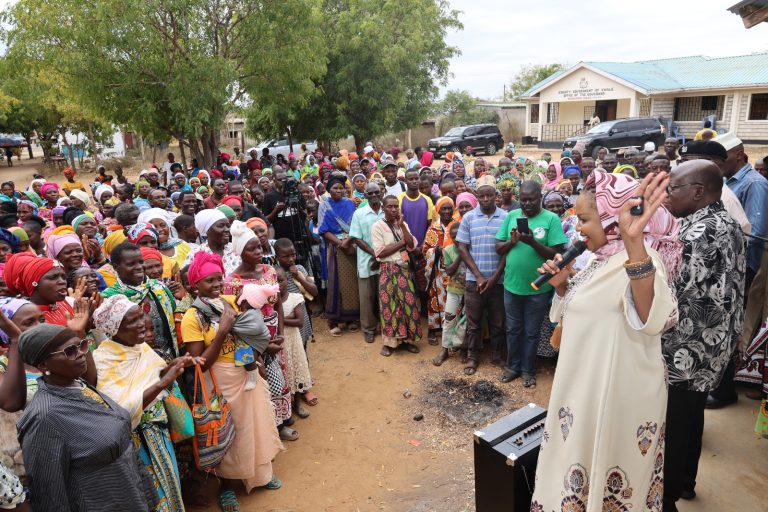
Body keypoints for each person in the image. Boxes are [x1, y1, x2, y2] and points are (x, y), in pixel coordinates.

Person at [530, 170, 679, 511]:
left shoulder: (643, 260)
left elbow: (652, 317)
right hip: (583, 391)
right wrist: (564, 285)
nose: (577, 228)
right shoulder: (598, 262)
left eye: (583, 219)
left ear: (612, 218)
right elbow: (580, 323)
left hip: (617, 398)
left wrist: (633, 242)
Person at [661, 160, 745, 511]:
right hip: (710, 345)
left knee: (676, 426)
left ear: (698, 192)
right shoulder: (722, 220)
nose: (666, 195)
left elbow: (669, 291)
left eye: (672, 188)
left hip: (688, 347)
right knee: (692, 417)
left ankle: (665, 499)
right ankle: (685, 483)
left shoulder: (699, 233)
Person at [16, 323, 158, 511]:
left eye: (82, 345)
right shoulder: (44, 417)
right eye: (70, 351)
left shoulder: (78, 384)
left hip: (130, 495)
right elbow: (50, 494)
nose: (81, 353)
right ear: (43, 364)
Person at [181, 252, 283, 511]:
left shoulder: (230, 301)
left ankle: (259, 475)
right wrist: (223, 330)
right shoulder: (193, 317)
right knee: (228, 432)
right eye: (208, 281)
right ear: (195, 285)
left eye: (218, 279)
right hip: (218, 381)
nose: (216, 285)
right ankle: (227, 486)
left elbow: (248, 333)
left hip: (244, 372)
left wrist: (259, 354)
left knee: (254, 426)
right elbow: (199, 362)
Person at [92, 295, 197, 512]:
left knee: (170, 483)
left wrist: (175, 365)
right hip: (135, 440)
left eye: (141, 317)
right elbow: (120, 410)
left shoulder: (141, 348)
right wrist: (163, 382)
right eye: (132, 321)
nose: (141, 325)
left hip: (158, 432)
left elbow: (155, 374)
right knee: (150, 494)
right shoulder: (104, 359)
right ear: (114, 328)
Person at [495, 181, 567, 387]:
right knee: (513, 329)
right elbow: (499, 247)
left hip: (539, 288)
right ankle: (512, 367)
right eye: (523, 199)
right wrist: (513, 241)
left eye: (531, 199)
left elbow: (557, 253)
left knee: (531, 332)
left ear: (540, 197)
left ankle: (528, 370)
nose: (526, 204)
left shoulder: (551, 219)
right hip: (512, 285)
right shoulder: (511, 216)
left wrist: (532, 242)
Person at [455, 184, 506, 375]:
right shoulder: (468, 217)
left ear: (495, 196)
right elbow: (462, 248)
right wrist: (478, 276)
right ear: (477, 197)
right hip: (473, 281)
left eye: (489, 196)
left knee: (497, 321)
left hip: (498, 281)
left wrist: (494, 278)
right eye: (482, 196)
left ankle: (496, 355)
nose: (485, 199)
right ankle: (472, 357)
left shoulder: (506, 217)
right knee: (474, 323)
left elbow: (507, 251)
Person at [103, 243, 178, 360]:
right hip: (134, 362)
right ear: (116, 267)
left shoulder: (158, 287)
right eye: (131, 264)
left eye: (140, 262)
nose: (139, 267)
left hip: (169, 357)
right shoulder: (111, 299)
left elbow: (173, 315)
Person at [371, 196, 421, 356]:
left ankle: (407, 341)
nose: (393, 209)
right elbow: (381, 253)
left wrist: (403, 228)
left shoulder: (403, 224)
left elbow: (412, 245)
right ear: (383, 208)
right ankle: (390, 343)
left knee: (408, 304)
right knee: (389, 306)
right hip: (387, 270)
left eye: (396, 206)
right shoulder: (377, 227)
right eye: (390, 207)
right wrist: (402, 243)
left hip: (404, 270)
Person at [318, 175, 360, 336]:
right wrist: (340, 244)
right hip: (335, 248)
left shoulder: (350, 203)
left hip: (351, 244)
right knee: (336, 283)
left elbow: (355, 225)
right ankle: (334, 320)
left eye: (341, 188)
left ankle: (352, 318)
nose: (338, 190)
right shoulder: (324, 205)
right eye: (335, 188)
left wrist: (348, 242)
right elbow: (323, 229)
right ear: (329, 190)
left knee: (352, 283)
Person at [274, 267, 314, 419]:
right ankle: (287, 407)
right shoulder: (270, 301)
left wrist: (280, 319)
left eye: (282, 280)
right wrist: (285, 319)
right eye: (275, 281)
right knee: (285, 373)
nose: (279, 284)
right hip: (280, 341)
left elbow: (299, 321)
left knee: (295, 371)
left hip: (294, 340)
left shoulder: (295, 297)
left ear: (287, 279)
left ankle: (297, 403)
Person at [349, 183, 385, 343]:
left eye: (376, 192)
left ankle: (386, 326)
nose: (374, 196)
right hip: (366, 261)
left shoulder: (388, 210)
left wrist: (380, 257)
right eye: (370, 193)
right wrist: (374, 254)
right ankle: (369, 328)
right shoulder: (359, 214)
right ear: (365, 195)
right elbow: (356, 238)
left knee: (385, 295)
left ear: (382, 192)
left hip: (386, 260)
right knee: (367, 297)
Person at [422, 196, 453, 345]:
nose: (447, 211)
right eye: (443, 208)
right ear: (438, 210)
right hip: (438, 271)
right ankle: (433, 330)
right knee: (435, 299)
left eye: (449, 208)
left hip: (454, 270)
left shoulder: (457, 225)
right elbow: (425, 250)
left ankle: (451, 330)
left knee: (454, 302)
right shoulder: (433, 228)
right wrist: (436, 251)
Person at [183, 209, 240, 274]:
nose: (227, 229)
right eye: (221, 226)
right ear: (207, 230)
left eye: (228, 226)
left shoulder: (237, 249)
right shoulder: (195, 254)